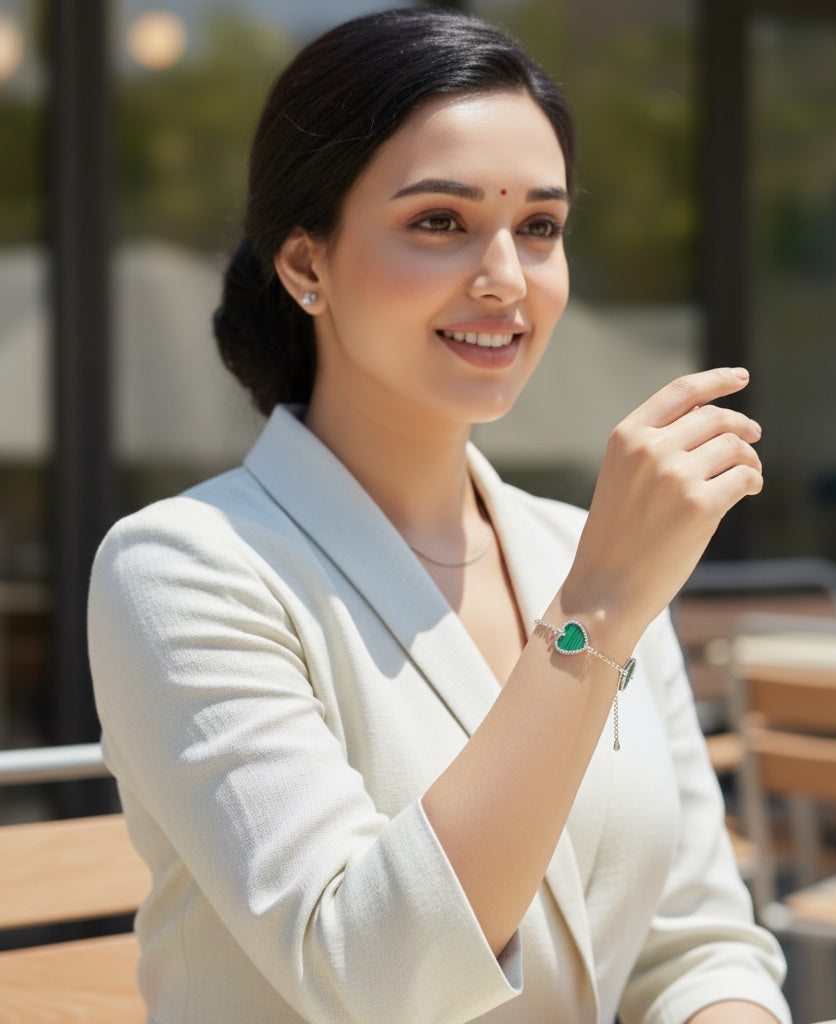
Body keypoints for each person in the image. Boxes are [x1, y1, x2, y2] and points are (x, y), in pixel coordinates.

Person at [88, 8, 790, 1023]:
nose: (505, 277)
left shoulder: (575, 548)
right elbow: (371, 974)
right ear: (306, 265)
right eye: (438, 222)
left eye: (539, 226)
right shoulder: (183, 569)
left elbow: (694, 943)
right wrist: (595, 607)